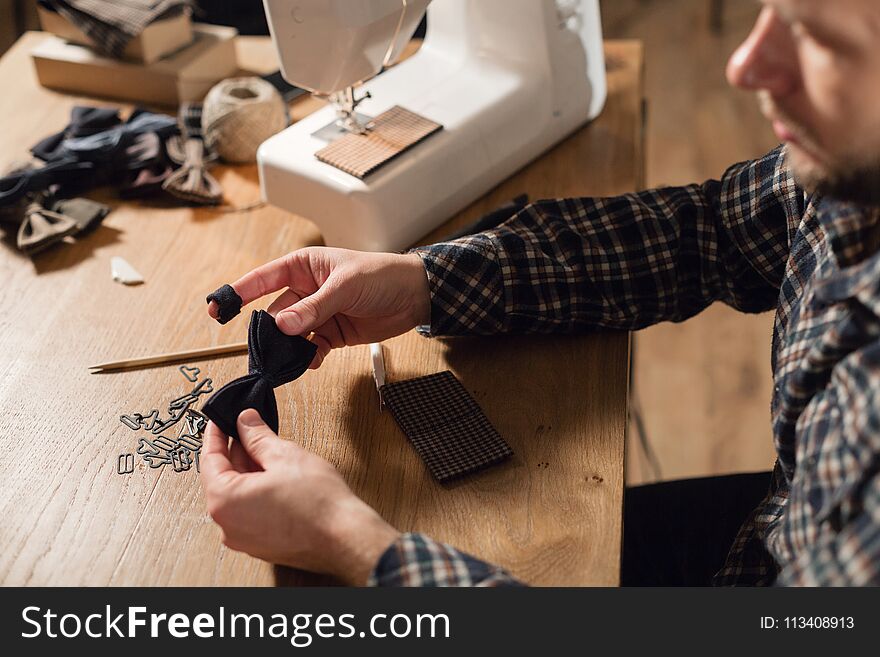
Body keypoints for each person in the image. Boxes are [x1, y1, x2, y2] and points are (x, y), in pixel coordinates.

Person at [200, 0, 880, 586]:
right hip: (773, 530)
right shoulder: (852, 173)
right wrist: (424, 283)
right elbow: (713, 233)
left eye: (821, 40)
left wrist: (355, 545)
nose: (746, 66)